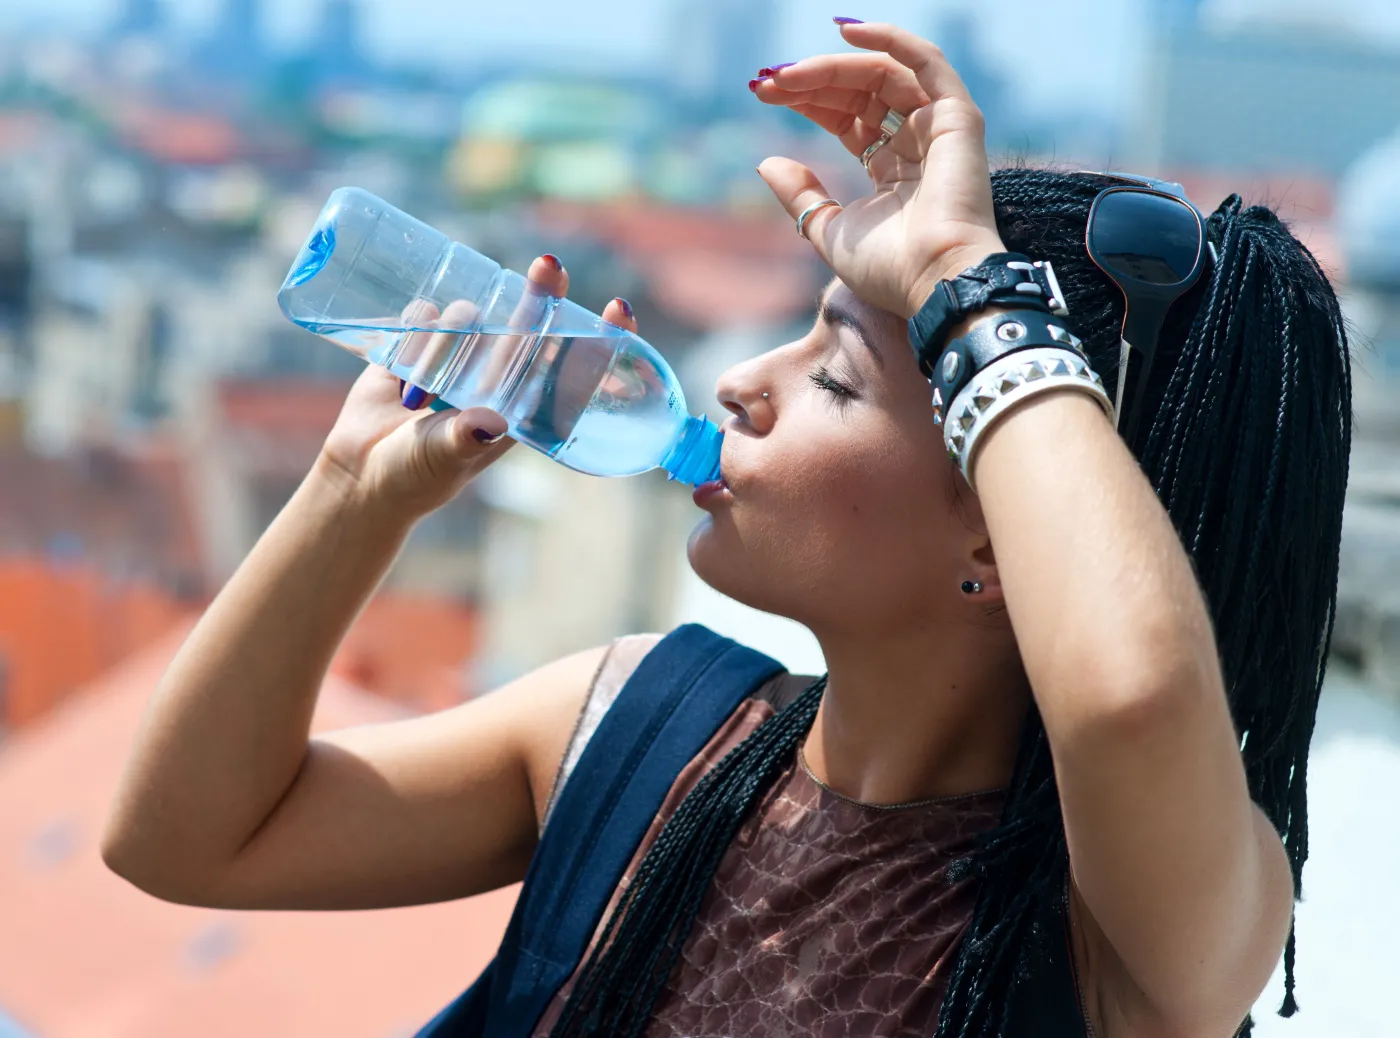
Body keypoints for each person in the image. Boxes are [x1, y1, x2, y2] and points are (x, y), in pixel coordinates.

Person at [99, 18, 1350, 1038]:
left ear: (997, 532)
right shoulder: (640, 728)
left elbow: (1133, 703)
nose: (744, 380)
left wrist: (962, 287)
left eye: (836, 377)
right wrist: (349, 493)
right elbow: (185, 839)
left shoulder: (1119, 941)